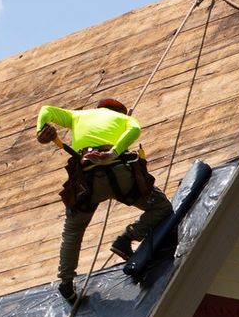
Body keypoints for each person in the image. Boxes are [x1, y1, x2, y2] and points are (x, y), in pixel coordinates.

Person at [35, 97, 174, 303]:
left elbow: (46, 109)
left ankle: (66, 281)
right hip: (120, 175)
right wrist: (113, 153)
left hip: (86, 180)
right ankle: (126, 238)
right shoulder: (123, 118)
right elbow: (135, 129)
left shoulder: (78, 116)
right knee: (162, 207)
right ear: (120, 111)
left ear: (98, 108)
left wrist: (41, 132)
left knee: (73, 230)